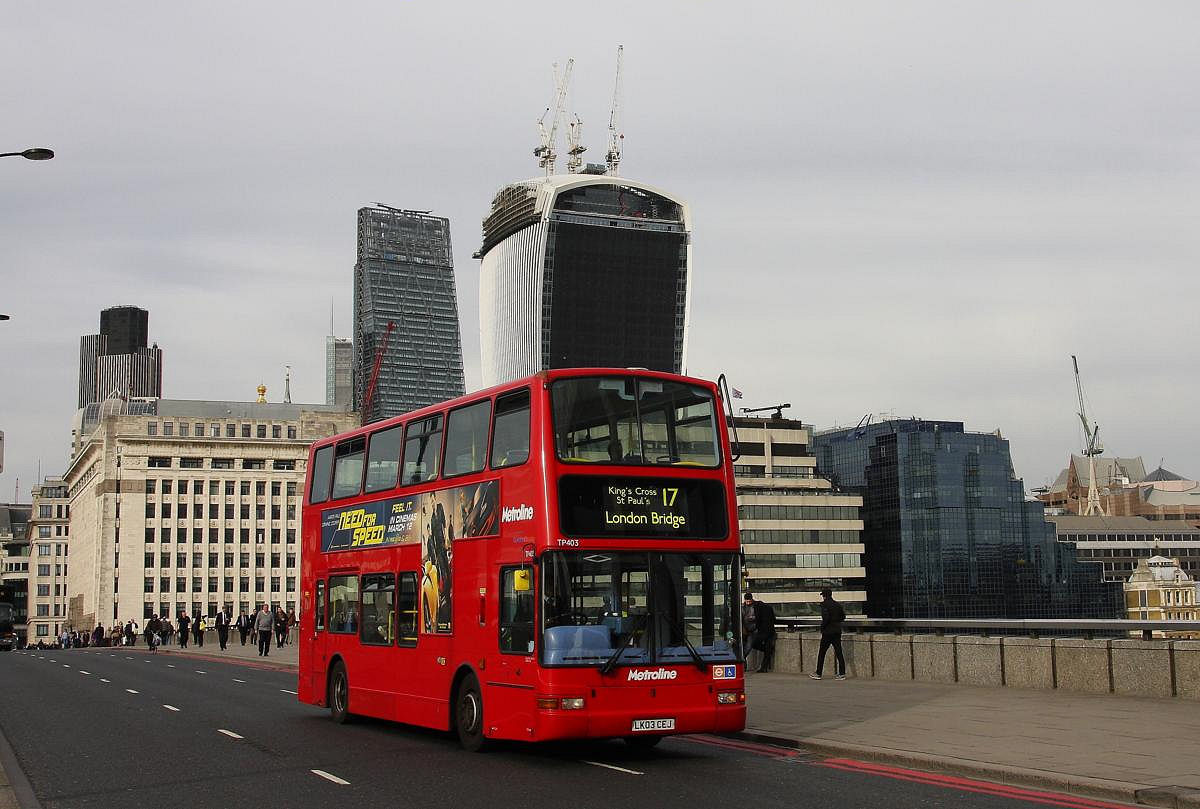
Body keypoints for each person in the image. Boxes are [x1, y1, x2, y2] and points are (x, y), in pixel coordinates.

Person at [810, 587, 847, 681]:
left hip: (827, 632)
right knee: (839, 652)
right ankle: (842, 673)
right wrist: (836, 622)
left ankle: (818, 673)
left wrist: (822, 628)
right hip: (837, 631)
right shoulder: (837, 605)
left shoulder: (825, 605)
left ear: (824, 596)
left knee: (822, 653)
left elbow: (826, 618)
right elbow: (843, 617)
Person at [743, 592, 777, 673]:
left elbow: (758, 620)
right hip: (768, 631)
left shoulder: (758, 608)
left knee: (752, 645)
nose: (748, 603)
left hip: (763, 632)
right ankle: (764, 667)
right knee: (767, 648)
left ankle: (763, 667)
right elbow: (773, 620)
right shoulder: (765, 608)